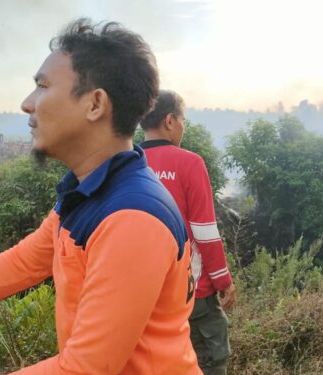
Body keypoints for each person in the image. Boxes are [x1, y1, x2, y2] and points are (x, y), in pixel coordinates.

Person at [0, 19, 201, 374]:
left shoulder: (132, 218)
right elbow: (25, 262)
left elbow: (85, 369)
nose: (27, 104)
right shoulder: (89, 190)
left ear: (95, 104)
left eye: (42, 86)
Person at [140, 90, 235, 375]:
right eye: (183, 119)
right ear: (170, 121)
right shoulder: (190, 163)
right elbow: (204, 231)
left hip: (141, 288)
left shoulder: (126, 162)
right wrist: (222, 280)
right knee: (211, 357)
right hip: (189, 287)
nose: (183, 126)